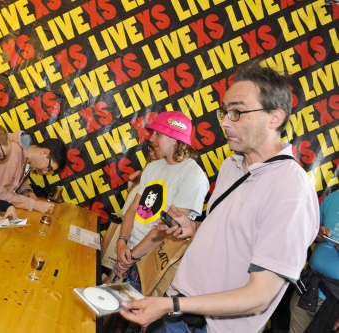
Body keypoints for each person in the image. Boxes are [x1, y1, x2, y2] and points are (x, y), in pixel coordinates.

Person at [119, 61, 320, 333]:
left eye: (237, 112)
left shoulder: (291, 191)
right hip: (178, 307)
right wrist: (192, 228)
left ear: (275, 118)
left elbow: (259, 296)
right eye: (225, 111)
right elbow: (231, 236)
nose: (225, 121)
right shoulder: (231, 165)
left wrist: (171, 306)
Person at [115, 111, 209, 280]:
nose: (151, 139)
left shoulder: (192, 176)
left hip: (150, 263)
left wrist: (132, 257)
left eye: (158, 134)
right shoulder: (153, 168)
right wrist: (122, 241)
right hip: (128, 253)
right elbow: (133, 209)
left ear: (175, 139)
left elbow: (168, 228)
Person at [0, 130, 67, 214]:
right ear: (44, 152)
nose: (44, 172)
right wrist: (33, 204)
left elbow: (11, 178)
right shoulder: (14, 153)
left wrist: (24, 190)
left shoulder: (25, 159)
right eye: (48, 167)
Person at [288, 190, 339, 333]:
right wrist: (317, 232)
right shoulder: (334, 197)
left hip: (335, 300)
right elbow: (313, 228)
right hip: (308, 287)